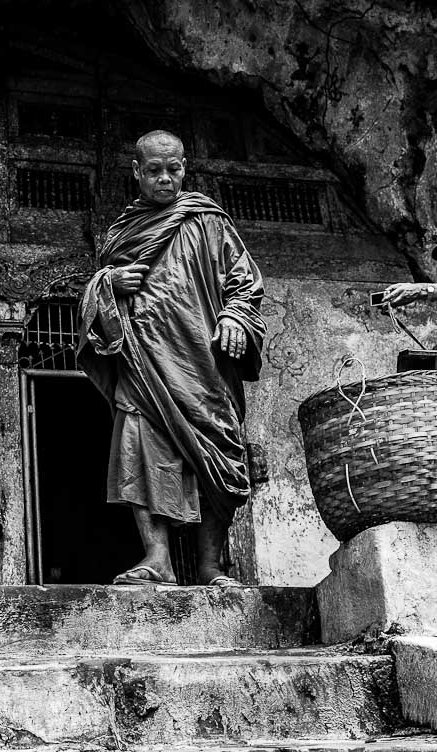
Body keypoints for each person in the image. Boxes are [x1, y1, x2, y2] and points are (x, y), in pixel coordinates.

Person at [78, 130, 266, 587]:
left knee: (217, 455)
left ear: (185, 167)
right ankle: (157, 557)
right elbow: (98, 290)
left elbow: (245, 281)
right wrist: (109, 282)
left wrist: (237, 318)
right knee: (138, 452)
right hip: (143, 366)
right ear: (137, 173)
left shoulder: (208, 221)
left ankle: (210, 566)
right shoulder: (122, 231)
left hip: (203, 362)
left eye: (174, 169)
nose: (165, 178)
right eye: (155, 171)